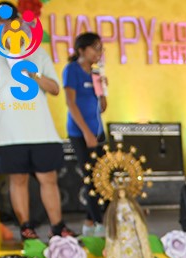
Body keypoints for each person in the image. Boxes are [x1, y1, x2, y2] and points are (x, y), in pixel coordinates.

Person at [0, 2, 73, 240]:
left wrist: (33, 73)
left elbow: (55, 88)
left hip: (41, 131)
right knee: (17, 179)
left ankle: (58, 227)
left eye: (10, 22)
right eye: (0, 23)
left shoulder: (38, 53)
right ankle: (26, 228)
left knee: (48, 178)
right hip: (7, 133)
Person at [63, 32, 108, 237]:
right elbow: (70, 103)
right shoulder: (72, 70)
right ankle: (99, 222)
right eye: (95, 48)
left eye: (101, 48)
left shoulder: (96, 73)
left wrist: (103, 90)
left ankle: (89, 223)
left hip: (97, 131)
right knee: (90, 177)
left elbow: (102, 107)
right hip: (80, 132)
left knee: (102, 176)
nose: (99, 52)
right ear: (81, 50)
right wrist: (86, 133)